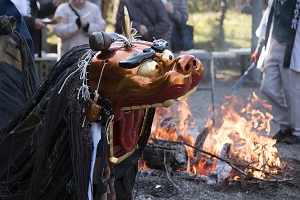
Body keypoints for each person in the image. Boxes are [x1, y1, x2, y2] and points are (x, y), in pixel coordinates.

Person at [251, 0, 300, 144]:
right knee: (267, 88)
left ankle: (297, 130)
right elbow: (267, 21)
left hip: (293, 49)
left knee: (293, 94)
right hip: (274, 46)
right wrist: (259, 47)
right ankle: (285, 125)